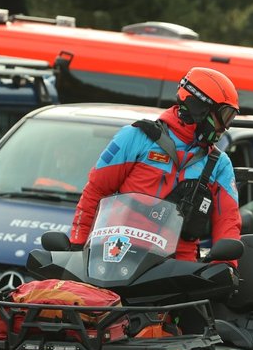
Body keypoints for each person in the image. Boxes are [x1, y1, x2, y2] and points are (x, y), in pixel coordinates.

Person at [70, 67, 241, 262]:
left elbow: (227, 221)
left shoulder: (220, 164)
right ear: (199, 107)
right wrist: (77, 244)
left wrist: (226, 266)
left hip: (177, 268)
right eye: (224, 116)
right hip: (115, 257)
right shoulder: (136, 137)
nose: (225, 127)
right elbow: (95, 191)